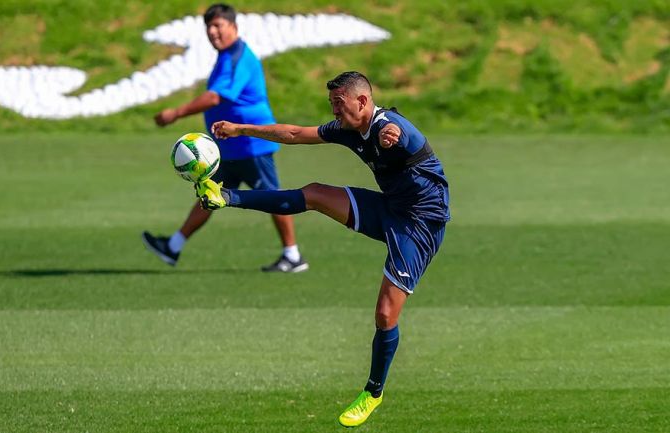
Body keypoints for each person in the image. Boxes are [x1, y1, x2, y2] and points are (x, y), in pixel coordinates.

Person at [198, 71, 450, 427]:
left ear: (362, 101)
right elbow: (295, 134)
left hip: (420, 224)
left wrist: (395, 136)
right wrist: (240, 129)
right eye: (331, 103)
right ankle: (226, 196)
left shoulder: (387, 125)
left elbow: (404, 133)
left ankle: (373, 393)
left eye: (338, 103)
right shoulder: (348, 129)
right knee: (315, 193)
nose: (334, 111)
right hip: (390, 206)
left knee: (384, 315)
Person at [142, 3, 308, 273]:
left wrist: (176, 112)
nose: (213, 32)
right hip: (230, 147)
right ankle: (173, 246)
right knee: (210, 193)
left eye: (218, 25)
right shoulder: (226, 56)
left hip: (251, 145)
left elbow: (216, 96)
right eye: (209, 27)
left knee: (272, 196)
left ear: (234, 27)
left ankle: (293, 255)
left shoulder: (237, 56)